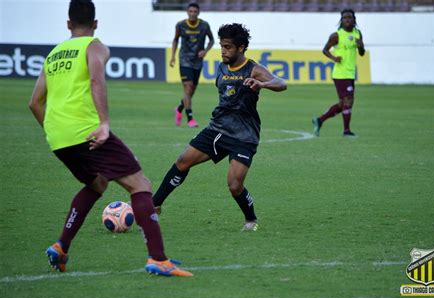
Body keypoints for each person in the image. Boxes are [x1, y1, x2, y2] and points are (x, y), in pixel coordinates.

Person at [28, 0, 192, 277]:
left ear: (68, 24)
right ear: (95, 24)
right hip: (87, 131)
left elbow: (34, 103)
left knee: (97, 183)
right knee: (140, 184)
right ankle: (158, 259)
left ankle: (61, 246)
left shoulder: (53, 55)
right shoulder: (95, 46)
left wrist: (56, 132)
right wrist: (104, 123)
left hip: (57, 137)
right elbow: (96, 79)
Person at [153, 23, 287, 231]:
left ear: (241, 48)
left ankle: (251, 220)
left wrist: (262, 85)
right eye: (222, 46)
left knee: (234, 186)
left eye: (228, 47)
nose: (223, 51)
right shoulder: (223, 66)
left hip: (244, 136)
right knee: (182, 161)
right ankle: (155, 205)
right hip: (217, 129)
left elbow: (281, 82)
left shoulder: (254, 69)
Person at [312, 8, 365, 137]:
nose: (348, 20)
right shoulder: (336, 35)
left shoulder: (358, 33)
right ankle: (346, 131)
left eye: (350, 17)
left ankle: (320, 120)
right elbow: (325, 50)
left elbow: (362, 54)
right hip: (340, 74)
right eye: (345, 18)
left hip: (350, 73)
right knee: (349, 100)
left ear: (354, 19)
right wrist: (334, 58)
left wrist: (361, 46)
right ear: (341, 20)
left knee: (343, 103)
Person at [170, 2, 215, 128]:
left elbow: (212, 40)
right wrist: (173, 56)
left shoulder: (204, 25)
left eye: (195, 12)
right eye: (191, 11)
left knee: (191, 91)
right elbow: (175, 39)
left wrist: (205, 51)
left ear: (198, 13)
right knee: (188, 87)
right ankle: (190, 118)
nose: (193, 14)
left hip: (197, 61)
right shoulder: (181, 25)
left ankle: (179, 108)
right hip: (184, 60)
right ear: (187, 12)